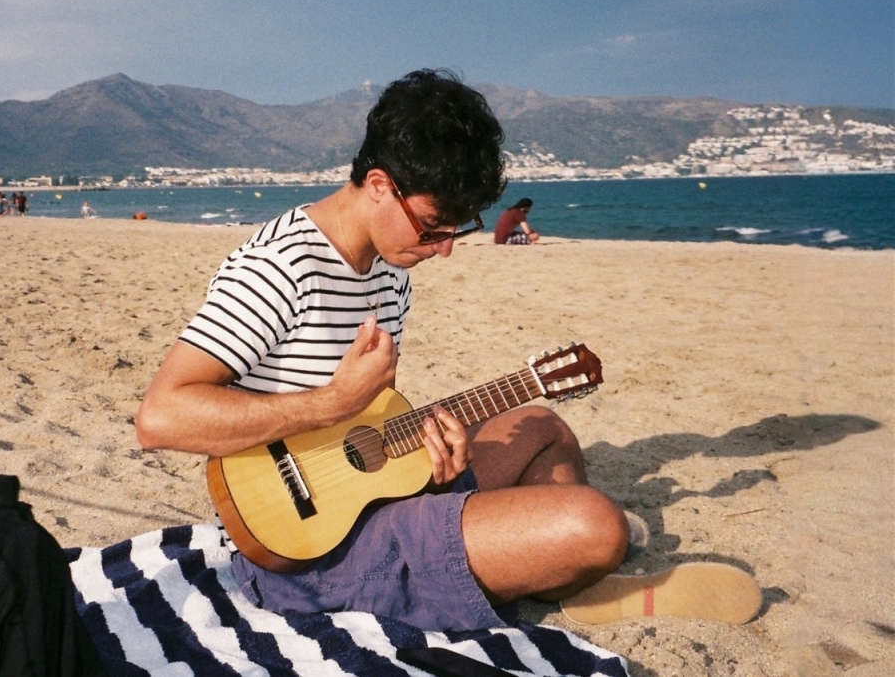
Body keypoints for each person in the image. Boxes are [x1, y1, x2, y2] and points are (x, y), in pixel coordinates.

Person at [135, 69, 751, 632]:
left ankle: (552, 567)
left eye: (457, 230)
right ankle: (560, 562)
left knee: (541, 423)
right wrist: (329, 404)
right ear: (379, 185)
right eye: (432, 226)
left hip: (358, 499)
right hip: (300, 556)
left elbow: (361, 424)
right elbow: (160, 418)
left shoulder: (388, 267)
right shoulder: (279, 266)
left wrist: (427, 453)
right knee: (595, 524)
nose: (444, 248)